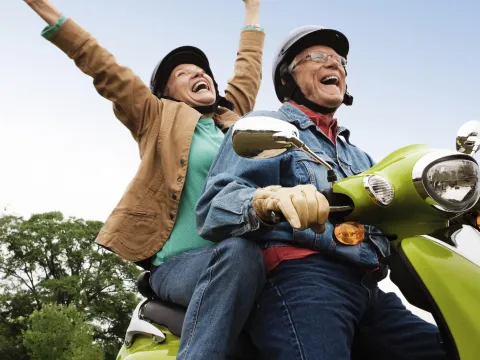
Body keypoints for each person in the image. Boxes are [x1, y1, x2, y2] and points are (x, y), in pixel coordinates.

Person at [22, 0, 265, 359]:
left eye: (202, 70)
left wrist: (253, 11)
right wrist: (46, 10)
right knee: (239, 253)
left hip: (248, 260)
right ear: (166, 92)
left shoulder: (233, 122)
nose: (199, 74)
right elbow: (101, 65)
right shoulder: (155, 116)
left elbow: (248, 71)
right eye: (184, 73)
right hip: (182, 264)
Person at [196, 25, 449, 359]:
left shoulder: (361, 158)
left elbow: (395, 224)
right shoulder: (267, 127)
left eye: (340, 61)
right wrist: (268, 199)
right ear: (287, 79)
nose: (334, 65)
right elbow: (215, 207)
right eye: (317, 57)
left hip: (371, 290)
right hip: (303, 279)